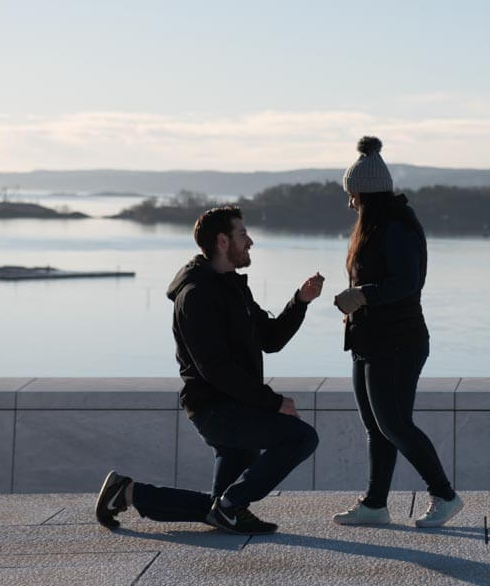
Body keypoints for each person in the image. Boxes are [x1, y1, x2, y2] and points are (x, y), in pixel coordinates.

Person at [95, 206, 323, 535]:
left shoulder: (231, 286)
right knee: (301, 437)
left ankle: (127, 492)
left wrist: (300, 302)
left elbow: (270, 339)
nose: (250, 241)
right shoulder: (196, 295)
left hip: (234, 404)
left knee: (216, 508)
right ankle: (231, 507)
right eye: (243, 234)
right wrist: (273, 403)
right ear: (221, 241)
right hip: (215, 409)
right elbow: (215, 369)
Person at [331, 136, 463, 528]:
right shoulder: (378, 225)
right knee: (377, 426)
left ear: (364, 193)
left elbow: (408, 282)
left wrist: (362, 296)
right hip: (370, 340)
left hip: (397, 342)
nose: (349, 202)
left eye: (352, 194)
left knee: (395, 424)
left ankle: (444, 495)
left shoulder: (397, 227)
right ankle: (374, 504)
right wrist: (358, 305)